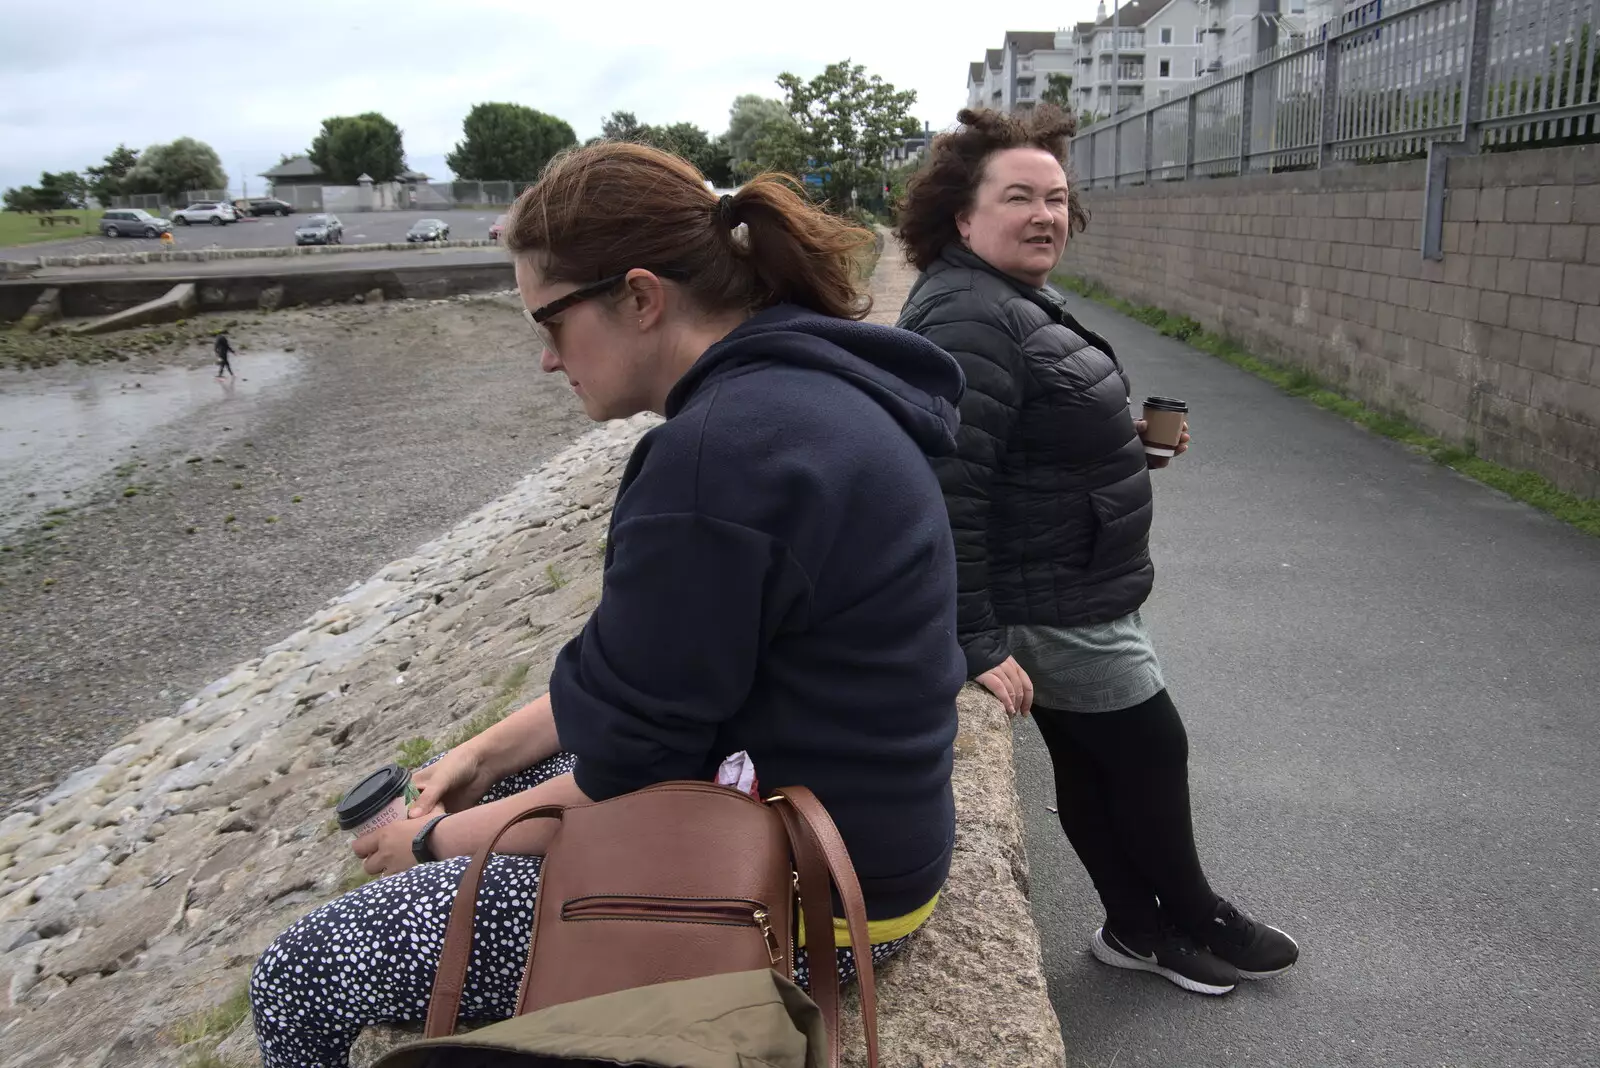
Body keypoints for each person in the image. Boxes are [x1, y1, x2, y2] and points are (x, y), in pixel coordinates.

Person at [249, 141, 968, 1067]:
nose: (547, 360)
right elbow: (642, 681)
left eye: (548, 322)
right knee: (503, 793)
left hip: (810, 902)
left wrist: (427, 846)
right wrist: (481, 753)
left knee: (301, 973)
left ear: (640, 297)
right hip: (868, 831)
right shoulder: (800, 390)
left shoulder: (718, 460)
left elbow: (625, 769)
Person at [894, 107, 1298, 998]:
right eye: (1019, 198)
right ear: (963, 215)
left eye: (1058, 198)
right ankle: (1193, 913)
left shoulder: (998, 295)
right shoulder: (970, 315)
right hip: (1052, 597)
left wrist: (1132, 447)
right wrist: (977, 641)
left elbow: (1026, 431)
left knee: (1092, 762)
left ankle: (1136, 927)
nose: (1045, 215)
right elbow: (945, 488)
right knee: (1152, 748)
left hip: (1071, 573)